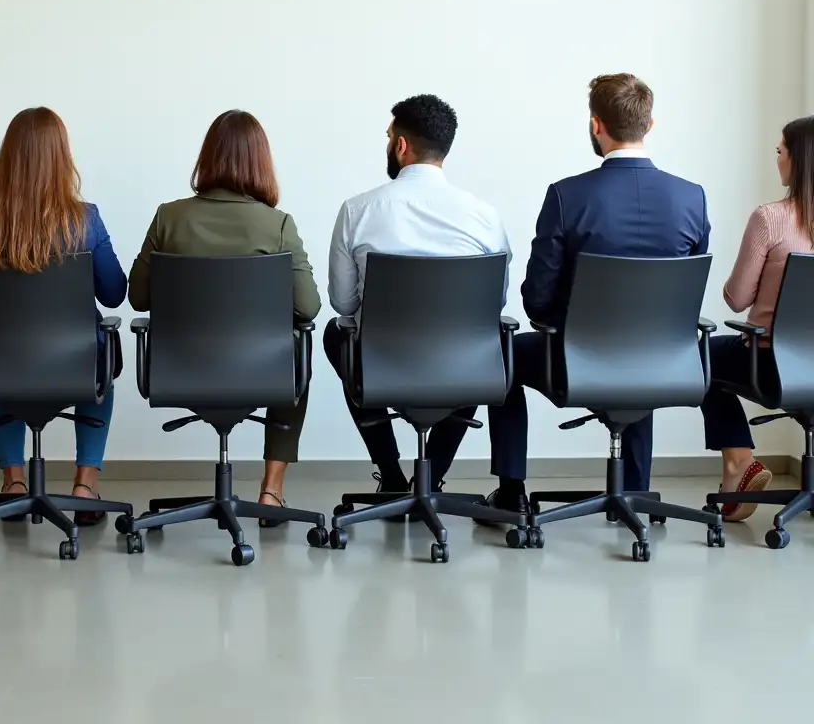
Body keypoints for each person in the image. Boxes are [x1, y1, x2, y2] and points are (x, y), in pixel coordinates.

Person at [473, 74, 711, 514]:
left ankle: (511, 493)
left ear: (596, 125)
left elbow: (537, 299)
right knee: (644, 338)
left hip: (579, 359)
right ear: (650, 124)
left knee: (500, 354)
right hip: (662, 362)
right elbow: (682, 298)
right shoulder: (691, 198)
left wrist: (561, 322)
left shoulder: (568, 196)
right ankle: (635, 490)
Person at [128, 109, 321, 520]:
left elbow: (138, 298)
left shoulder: (169, 217)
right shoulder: (279, 225)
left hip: (179, 369)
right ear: (261, 163)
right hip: (261, 375)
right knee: (296, 350)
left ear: (207, 158)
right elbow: (308, 309)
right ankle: (271, 491)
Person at [325, 95, 511, 496]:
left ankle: (391, 476)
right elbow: (493, 305)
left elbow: (343, 305)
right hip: (462, 369)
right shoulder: (483, 216)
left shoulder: (358, 210)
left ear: (401, 146)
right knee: (482, 339)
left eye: (389, 136)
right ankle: (434, 477)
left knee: (336, 334)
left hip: (381, 365)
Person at [0, 107, 127, 527]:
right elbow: (115, 293)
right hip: (74, 363)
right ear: (61, 157)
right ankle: (84, 485)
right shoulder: (85, 220)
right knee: (98, 366)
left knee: (0, 344)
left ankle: (13, 481)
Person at [700, 116, 814, 519]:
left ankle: (738, 462)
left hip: (772, 365)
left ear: (797, 160)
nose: (777, 159)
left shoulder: (771, 218)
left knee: (699, 357)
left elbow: (736, 299)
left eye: (780, 151)